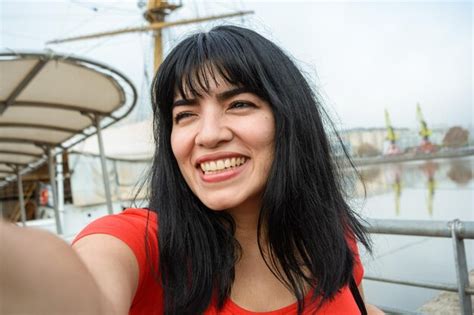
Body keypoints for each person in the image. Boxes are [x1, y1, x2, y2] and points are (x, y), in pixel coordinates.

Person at [0, 25, 383, 314]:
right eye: (185, 115)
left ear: (290, 118)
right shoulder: (147, 246)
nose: (209, 135)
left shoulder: (332, 235)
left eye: (239, 104)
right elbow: (82, 294)